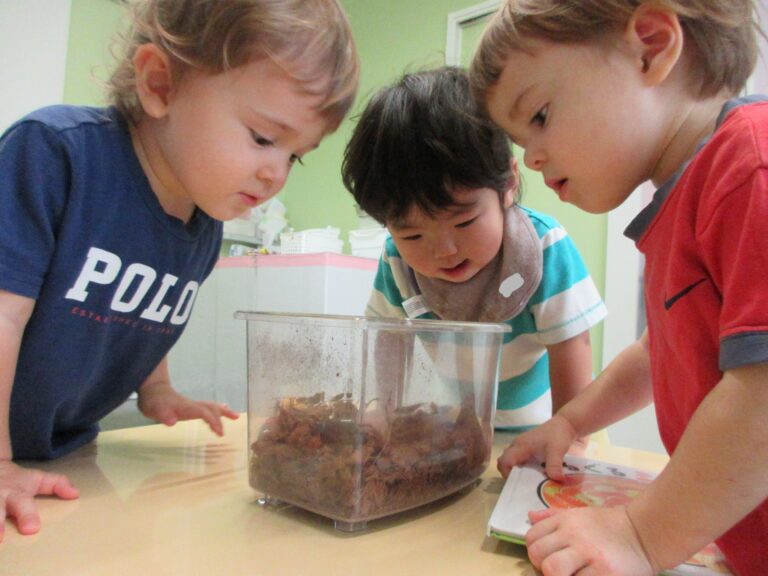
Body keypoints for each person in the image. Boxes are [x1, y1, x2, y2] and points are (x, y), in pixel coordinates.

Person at [0, 0, 359, 540]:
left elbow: (142, 303)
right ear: (160, 85)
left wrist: (157, 387)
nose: (275, 174)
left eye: (296, 155)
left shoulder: (204, 220)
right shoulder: (56, 154)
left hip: (60, 453)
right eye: (264, 138)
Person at [470, 1, 767, 574]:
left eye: (538, 116)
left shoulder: (749, 164)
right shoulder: (681, 203)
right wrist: (572, 422)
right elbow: (662, 351)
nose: (529, 158)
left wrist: (641, 534)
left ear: (651, 47)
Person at [342, 66, 606, 438]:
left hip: (538, 430)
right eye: (413, 235)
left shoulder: (543, 247)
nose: (444, 251)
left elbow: (571, 344)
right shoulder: (396, 261)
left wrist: (570, 433)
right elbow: (388, 340)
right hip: (459, 428)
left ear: (509, 183)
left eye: (464, 222)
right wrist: (381, 413)